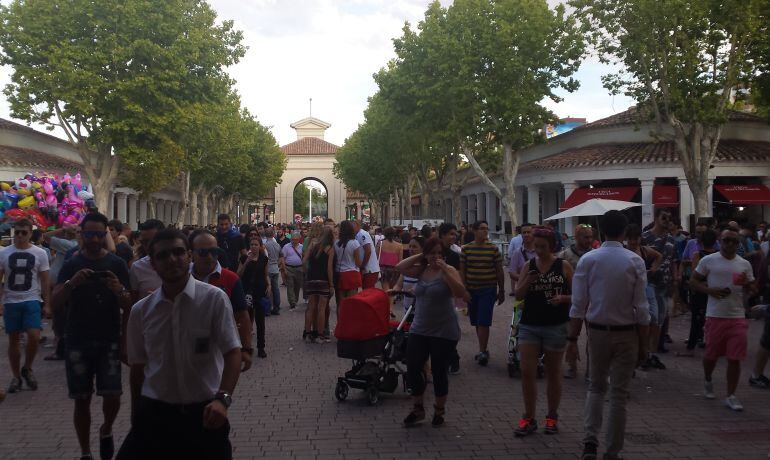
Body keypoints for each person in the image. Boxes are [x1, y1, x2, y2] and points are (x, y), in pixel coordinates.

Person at [117, 229, 242, 459]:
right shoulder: (141, 311)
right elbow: (138, 369)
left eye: (178, 252)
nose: (172, 259)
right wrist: (137, 416)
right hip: (156, 413)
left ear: (189, 256)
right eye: (163, 255)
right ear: (152, 264)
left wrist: (223, 400)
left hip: (204, 414)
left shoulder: (213, 299)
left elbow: (233, 352)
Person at [566, 211, 650, 460]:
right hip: (627, 333)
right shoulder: (634, 261)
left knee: (596, 387)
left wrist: (572, 339)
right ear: (624, 232)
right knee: (619, 395)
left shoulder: (589, 260)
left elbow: (578, 304)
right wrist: (644, 344)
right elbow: (642, 308)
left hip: (598, 332)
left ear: (601, 231)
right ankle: (612, 451)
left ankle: (590, 442)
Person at [52, 212, 131, 460]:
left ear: (106, 233)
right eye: (89, 234)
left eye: (99, 234)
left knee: (113, 394)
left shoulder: (116, 264)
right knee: (81, 399)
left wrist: (118, 290)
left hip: (109, 337)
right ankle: (86, 451)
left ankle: (106, 429)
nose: (94, 239)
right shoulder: (71, 264)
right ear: (82, 235)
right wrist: (71, 283)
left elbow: (130, 303)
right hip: (78, 338)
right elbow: (54, 303)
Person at [397, 238, 467, 427]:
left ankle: (439, 410)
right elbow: (400, 267)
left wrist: (445, 269)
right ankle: (418, 408)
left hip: (443, 330)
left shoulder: (449, 271)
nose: (436, 257)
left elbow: (460, 293)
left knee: (438, 370)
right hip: (419, 327)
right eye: (432, 253)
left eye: (439, 253)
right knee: (412, 365)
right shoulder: (421, 269)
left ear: (444, 255)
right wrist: (423, 254)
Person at [513, 227, 573, 436]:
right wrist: (528, 280)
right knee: (527, 371)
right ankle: (528, 416)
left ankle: (552, 416)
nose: (538, 250)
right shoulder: (529, 265)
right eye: (536, 246)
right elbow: (518, 294)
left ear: (552, 246)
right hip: (530, 324)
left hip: (555, 325)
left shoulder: (563, 265)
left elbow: (577, 295)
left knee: (553, 372)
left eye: (543, 247)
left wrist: (563, 299)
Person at [689, 228, 757, 411]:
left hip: (737, 316)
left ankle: (731, 395)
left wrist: (747, 284)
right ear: (720, 241)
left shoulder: (744, 264)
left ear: (738, 244)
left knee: (735, 358)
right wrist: (710, 291)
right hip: (715, 315)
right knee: (711, 356)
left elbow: (753, 289)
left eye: (734, 241)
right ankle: (708, 379)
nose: (730, 244)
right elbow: (693, 281)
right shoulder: (708, 261)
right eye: (726, 240)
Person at [190, 230, 253, 372]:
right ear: (191, 253)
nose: (210, 257)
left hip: (221, 348)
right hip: (187, 347)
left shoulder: (231, 278)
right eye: (203, 252)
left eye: (214, 251)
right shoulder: (183, 278)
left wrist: (246, 348)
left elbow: (242, 315)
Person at [0, 218, 50, 394]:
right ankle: (16, 377)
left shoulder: (40, 253)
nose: (20, 236)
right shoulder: (4, 253)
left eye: (24, 232)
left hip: (31, 299)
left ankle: (27, 367)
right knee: (13, 339)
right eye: (17, 232)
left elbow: (45, 280)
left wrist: (47, 303)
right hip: (11, 300)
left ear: (30, 233)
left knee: (34, 336)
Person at [460, 220, 505, 366]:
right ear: (474, 230)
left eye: (487, 228)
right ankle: (483, 348)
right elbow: (463, 271)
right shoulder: (466, 249)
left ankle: (482, 351)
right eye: (482, 229)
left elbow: (499, 271)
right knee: (476, 321)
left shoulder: (493, 249)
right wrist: (464, 289)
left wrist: (502, 290)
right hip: (472, 290)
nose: (485, 231)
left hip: (488, 290)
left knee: (483, 321)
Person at [641, 208, 679, 362]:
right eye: (664, 217)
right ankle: (644, 353)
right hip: (648, 283)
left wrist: (675, 280)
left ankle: (652, 353)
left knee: (660, 319)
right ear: (656, 218)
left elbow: (673, 261)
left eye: (669, 218)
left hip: (664, 283)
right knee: (650, 319)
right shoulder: (645, 237)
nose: (667, 221)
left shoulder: (671, 239)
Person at [558, 223, 593, 378]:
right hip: (571, 301)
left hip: (592, 301)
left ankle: (590, 370)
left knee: (592, 337)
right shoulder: (565, 255)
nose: (589, 240)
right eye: (586, 237)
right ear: (577, 237)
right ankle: (572, 366)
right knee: (571, 335)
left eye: (591, 237)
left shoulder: (595, 254)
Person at [42, 223, 80, 361]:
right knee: (59, 317)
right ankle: (59, 342)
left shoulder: (68, 245)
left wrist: (63, 230)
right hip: (59, 284)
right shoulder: (68, 244)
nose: (73, 231)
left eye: (76, 230)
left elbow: (45, 236)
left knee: (60, 317)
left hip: (61, 286)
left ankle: (60, 345)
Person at [683, 229, 719, 354]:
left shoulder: (698, 255)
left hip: (700, 289)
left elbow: (695, 272)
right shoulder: (718, 255)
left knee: (696, 319)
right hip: (714, 289)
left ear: (701, 241)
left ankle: (692, 345)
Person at [237, 236, 269, 358]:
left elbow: (266, 275)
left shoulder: (264, 259)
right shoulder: (244, 258)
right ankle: (246, 347)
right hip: (247, 293)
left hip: (260, 292)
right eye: (252, 244)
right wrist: (246, 262)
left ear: (260, 246)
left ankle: (261, 347)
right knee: (246, 321)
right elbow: (238, 274)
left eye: (256, 245)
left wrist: (269, 284)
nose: (254, 247)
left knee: (261, 321)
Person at [303, 227, 335, 343]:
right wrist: (331, 284)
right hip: (323, 280)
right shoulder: (330, 249)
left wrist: (308, 273)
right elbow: (329, 268)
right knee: (321, 308)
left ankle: (307, 333)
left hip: (312, 279)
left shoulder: (312, 244)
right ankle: (320, 335)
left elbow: (304, 261)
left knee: (310, 307)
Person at [438, 223, 462, 374]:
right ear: (442, 235)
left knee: (449, 331)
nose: (454, 237)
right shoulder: (433, 251)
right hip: (432, 294)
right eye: (451, 234)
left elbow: (459, 278)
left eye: (455, 234)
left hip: (448, 297)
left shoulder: (454, 256)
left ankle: (452, 356)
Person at [335, 220, 363, 303]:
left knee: (341, 302)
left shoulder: (336, 243)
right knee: (351, 302)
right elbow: (358, 263)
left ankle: (340, 316)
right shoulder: (354, 243)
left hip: (339, 274)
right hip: (352, 274)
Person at [280, 232, 304, 310]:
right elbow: (283, 258)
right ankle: (292, 302)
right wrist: (284, 268)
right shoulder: (286, 247)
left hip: (299, 268)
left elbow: (304, 257)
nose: (294, 241)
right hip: (289, 268)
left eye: (296, 239)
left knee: (297, 286)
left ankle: (295, 300)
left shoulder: (302, 247)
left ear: (299, 239)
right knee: (290, 285)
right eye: (293, 239)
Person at [376, 227, 403, 297]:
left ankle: (387, 306)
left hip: (383, 269)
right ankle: (390, 307)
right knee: (391, 291)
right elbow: (400, 260)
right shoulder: (399, 246)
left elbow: (376, 255)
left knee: (386, 290)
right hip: (395, 269)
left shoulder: (380, 243)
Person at [354, 220, 380, 289]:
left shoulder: (362, 234)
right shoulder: (357, 235)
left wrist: (362, 266)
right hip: (367, 269)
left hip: (369, 270)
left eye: (352, 226)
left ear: (358, 226)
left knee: (368, 293)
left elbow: (368, 251)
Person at [263, 228, 283, 315]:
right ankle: (276, 307)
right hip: (275, 268)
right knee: (276, 289)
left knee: (268, 288)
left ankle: (267, 308)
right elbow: (281, 256)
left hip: (268, 268)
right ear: (273, 234)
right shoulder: (277, 245)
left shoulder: (265, 245)